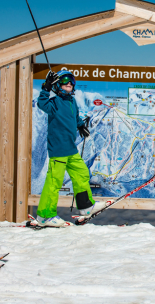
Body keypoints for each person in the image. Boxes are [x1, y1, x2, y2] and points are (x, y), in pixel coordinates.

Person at [36, 70, 106, 227]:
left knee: (81, 173)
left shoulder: (71, 101)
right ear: (58, 85)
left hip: (71, 148)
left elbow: (75, 117)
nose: (69, 83)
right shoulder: (53, 103)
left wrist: (81, 125)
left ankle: (86, 206)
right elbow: (42, 104)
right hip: (59, 149)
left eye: (71, 81)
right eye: (65, 81)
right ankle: (45, 216)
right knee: (54, 182)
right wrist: (46, 88)